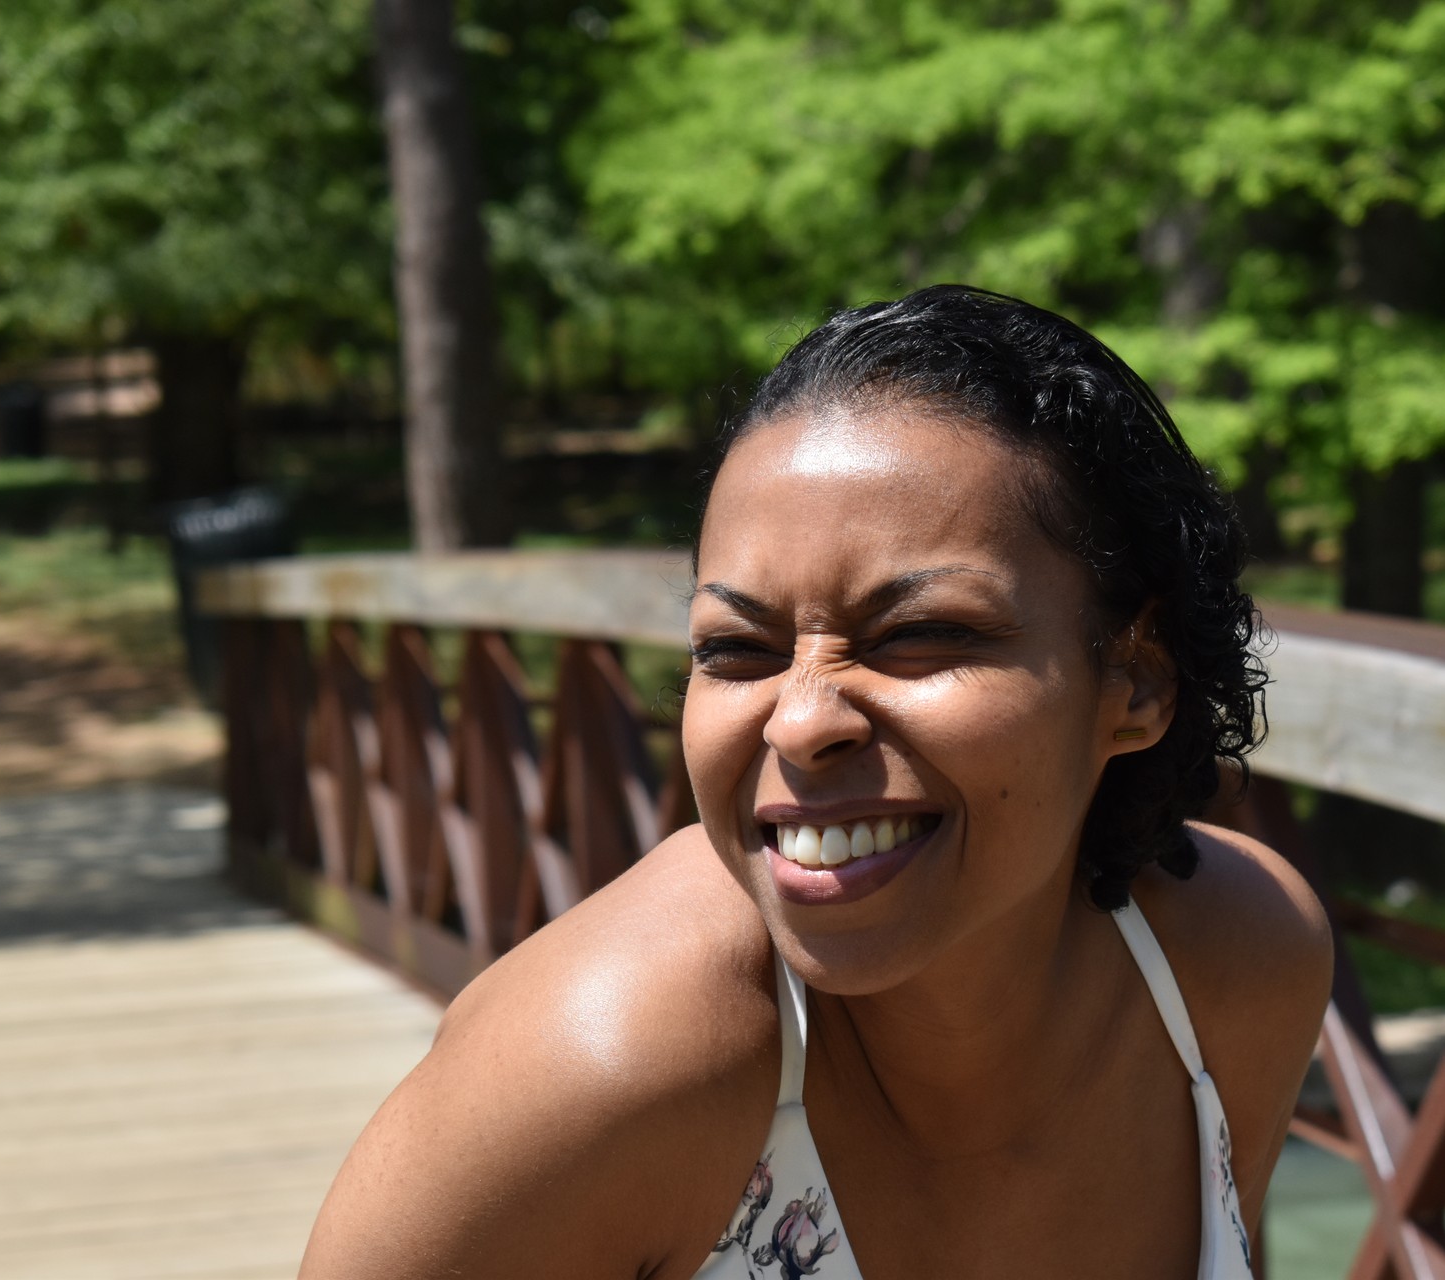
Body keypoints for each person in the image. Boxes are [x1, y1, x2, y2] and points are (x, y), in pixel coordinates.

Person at [301, 286, 1332, 1279]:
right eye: (737, 648)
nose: (801, 720)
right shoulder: (602, 1067)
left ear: (1136, 682)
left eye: (922, 634)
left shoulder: (1238, 966)